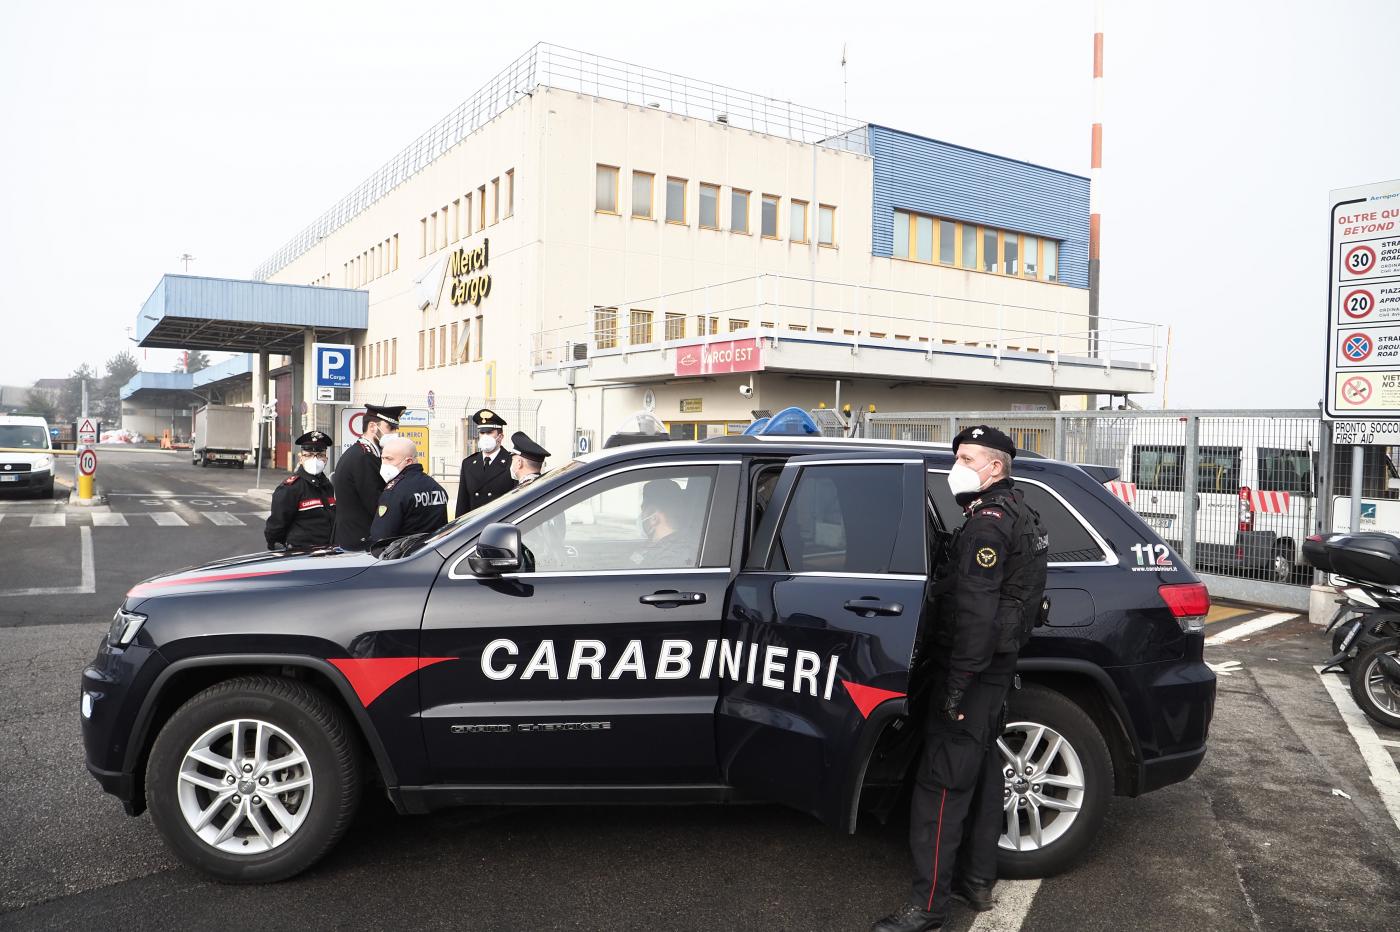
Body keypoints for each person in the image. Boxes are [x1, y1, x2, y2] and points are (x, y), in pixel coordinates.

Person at [873, 425, 1049, 932]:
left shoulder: (987, 525)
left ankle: (928, 907)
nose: (959, 465)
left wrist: (956, 685)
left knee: (941, 784)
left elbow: (976, 614)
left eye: (968, 457)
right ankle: (977, 881)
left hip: (973, 670)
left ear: (995, 467)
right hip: (995, 671)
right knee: (984, 770)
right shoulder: (1020, 511)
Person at [332, 404, 405, 551]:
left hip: (357, 537)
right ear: (372, 427)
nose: (395, 433)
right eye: (390, 428)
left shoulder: (365, 453)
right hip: (359, 541)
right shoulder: (364, 457)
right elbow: (377, 504)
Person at [370, 433, 450, 544]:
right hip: (433, 554)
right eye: (382, 458)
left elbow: (381, 537)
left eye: (389, 459)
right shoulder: (436, 487)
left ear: (408, 461)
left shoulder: (395, 491)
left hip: (404, 556)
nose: (384, 464)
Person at [264, 430, 336, 550]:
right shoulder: (291, 488)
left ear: (326, 459)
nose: (315, 460)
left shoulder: (327, 485)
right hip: (302, 553)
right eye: (309, 455)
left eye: (320, 455)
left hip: (326, 553)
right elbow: (275, 528)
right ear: (301, 458)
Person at [455, 408, 514, 517]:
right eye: (482, 432)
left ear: (500, 437)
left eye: (490, 432)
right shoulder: (468, 464)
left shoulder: (512, 462)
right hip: (475, 527)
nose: (485, 436)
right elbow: (462, 504)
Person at [631, 478, 700, 568]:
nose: (641, 516)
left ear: (653, 518)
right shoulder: (660, 545)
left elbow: (632, 568)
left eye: (643, 510)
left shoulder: (669, 559)